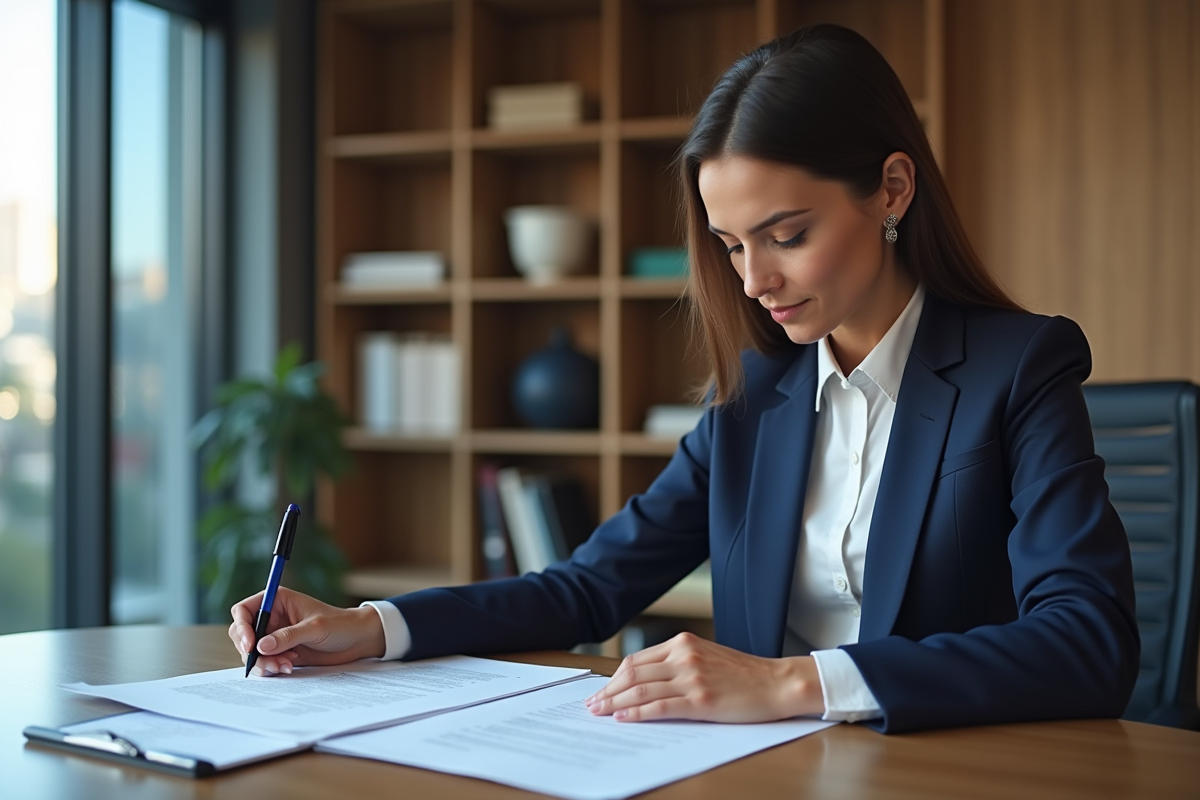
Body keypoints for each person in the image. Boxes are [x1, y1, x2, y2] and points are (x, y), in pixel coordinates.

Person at [229, 24, 1138, 734]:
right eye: (732, 244)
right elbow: (585, 589)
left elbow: (1088, 643)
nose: (753, 281)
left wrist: (791, 684)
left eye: (787, 235)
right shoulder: (754, 401)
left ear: (892, 189)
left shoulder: (1019, 369)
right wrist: (374, 626)